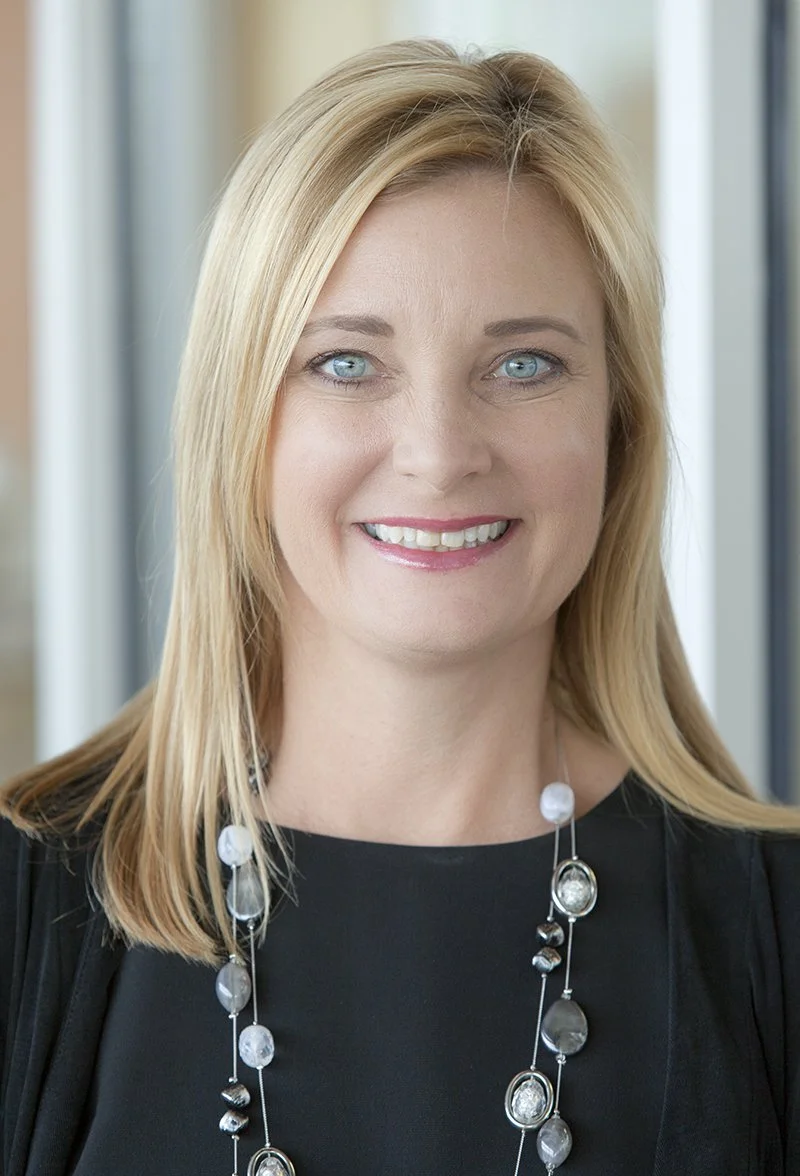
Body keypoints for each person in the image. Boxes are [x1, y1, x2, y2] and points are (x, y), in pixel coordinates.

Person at [1, 37, 799, 1176]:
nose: (436, 455)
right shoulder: (27, 908)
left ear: (616, 427)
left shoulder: (773, 932)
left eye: (522, 365)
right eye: (344, 363)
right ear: (243, 424)